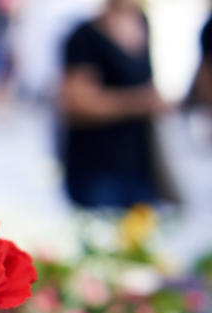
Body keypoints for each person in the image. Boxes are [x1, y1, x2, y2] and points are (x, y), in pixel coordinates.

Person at [58, 0, 173, 210]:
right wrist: (140, 102)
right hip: (96, 168)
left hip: (138, 166)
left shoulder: (142, 23)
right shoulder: (83, 36)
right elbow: (77, 104)